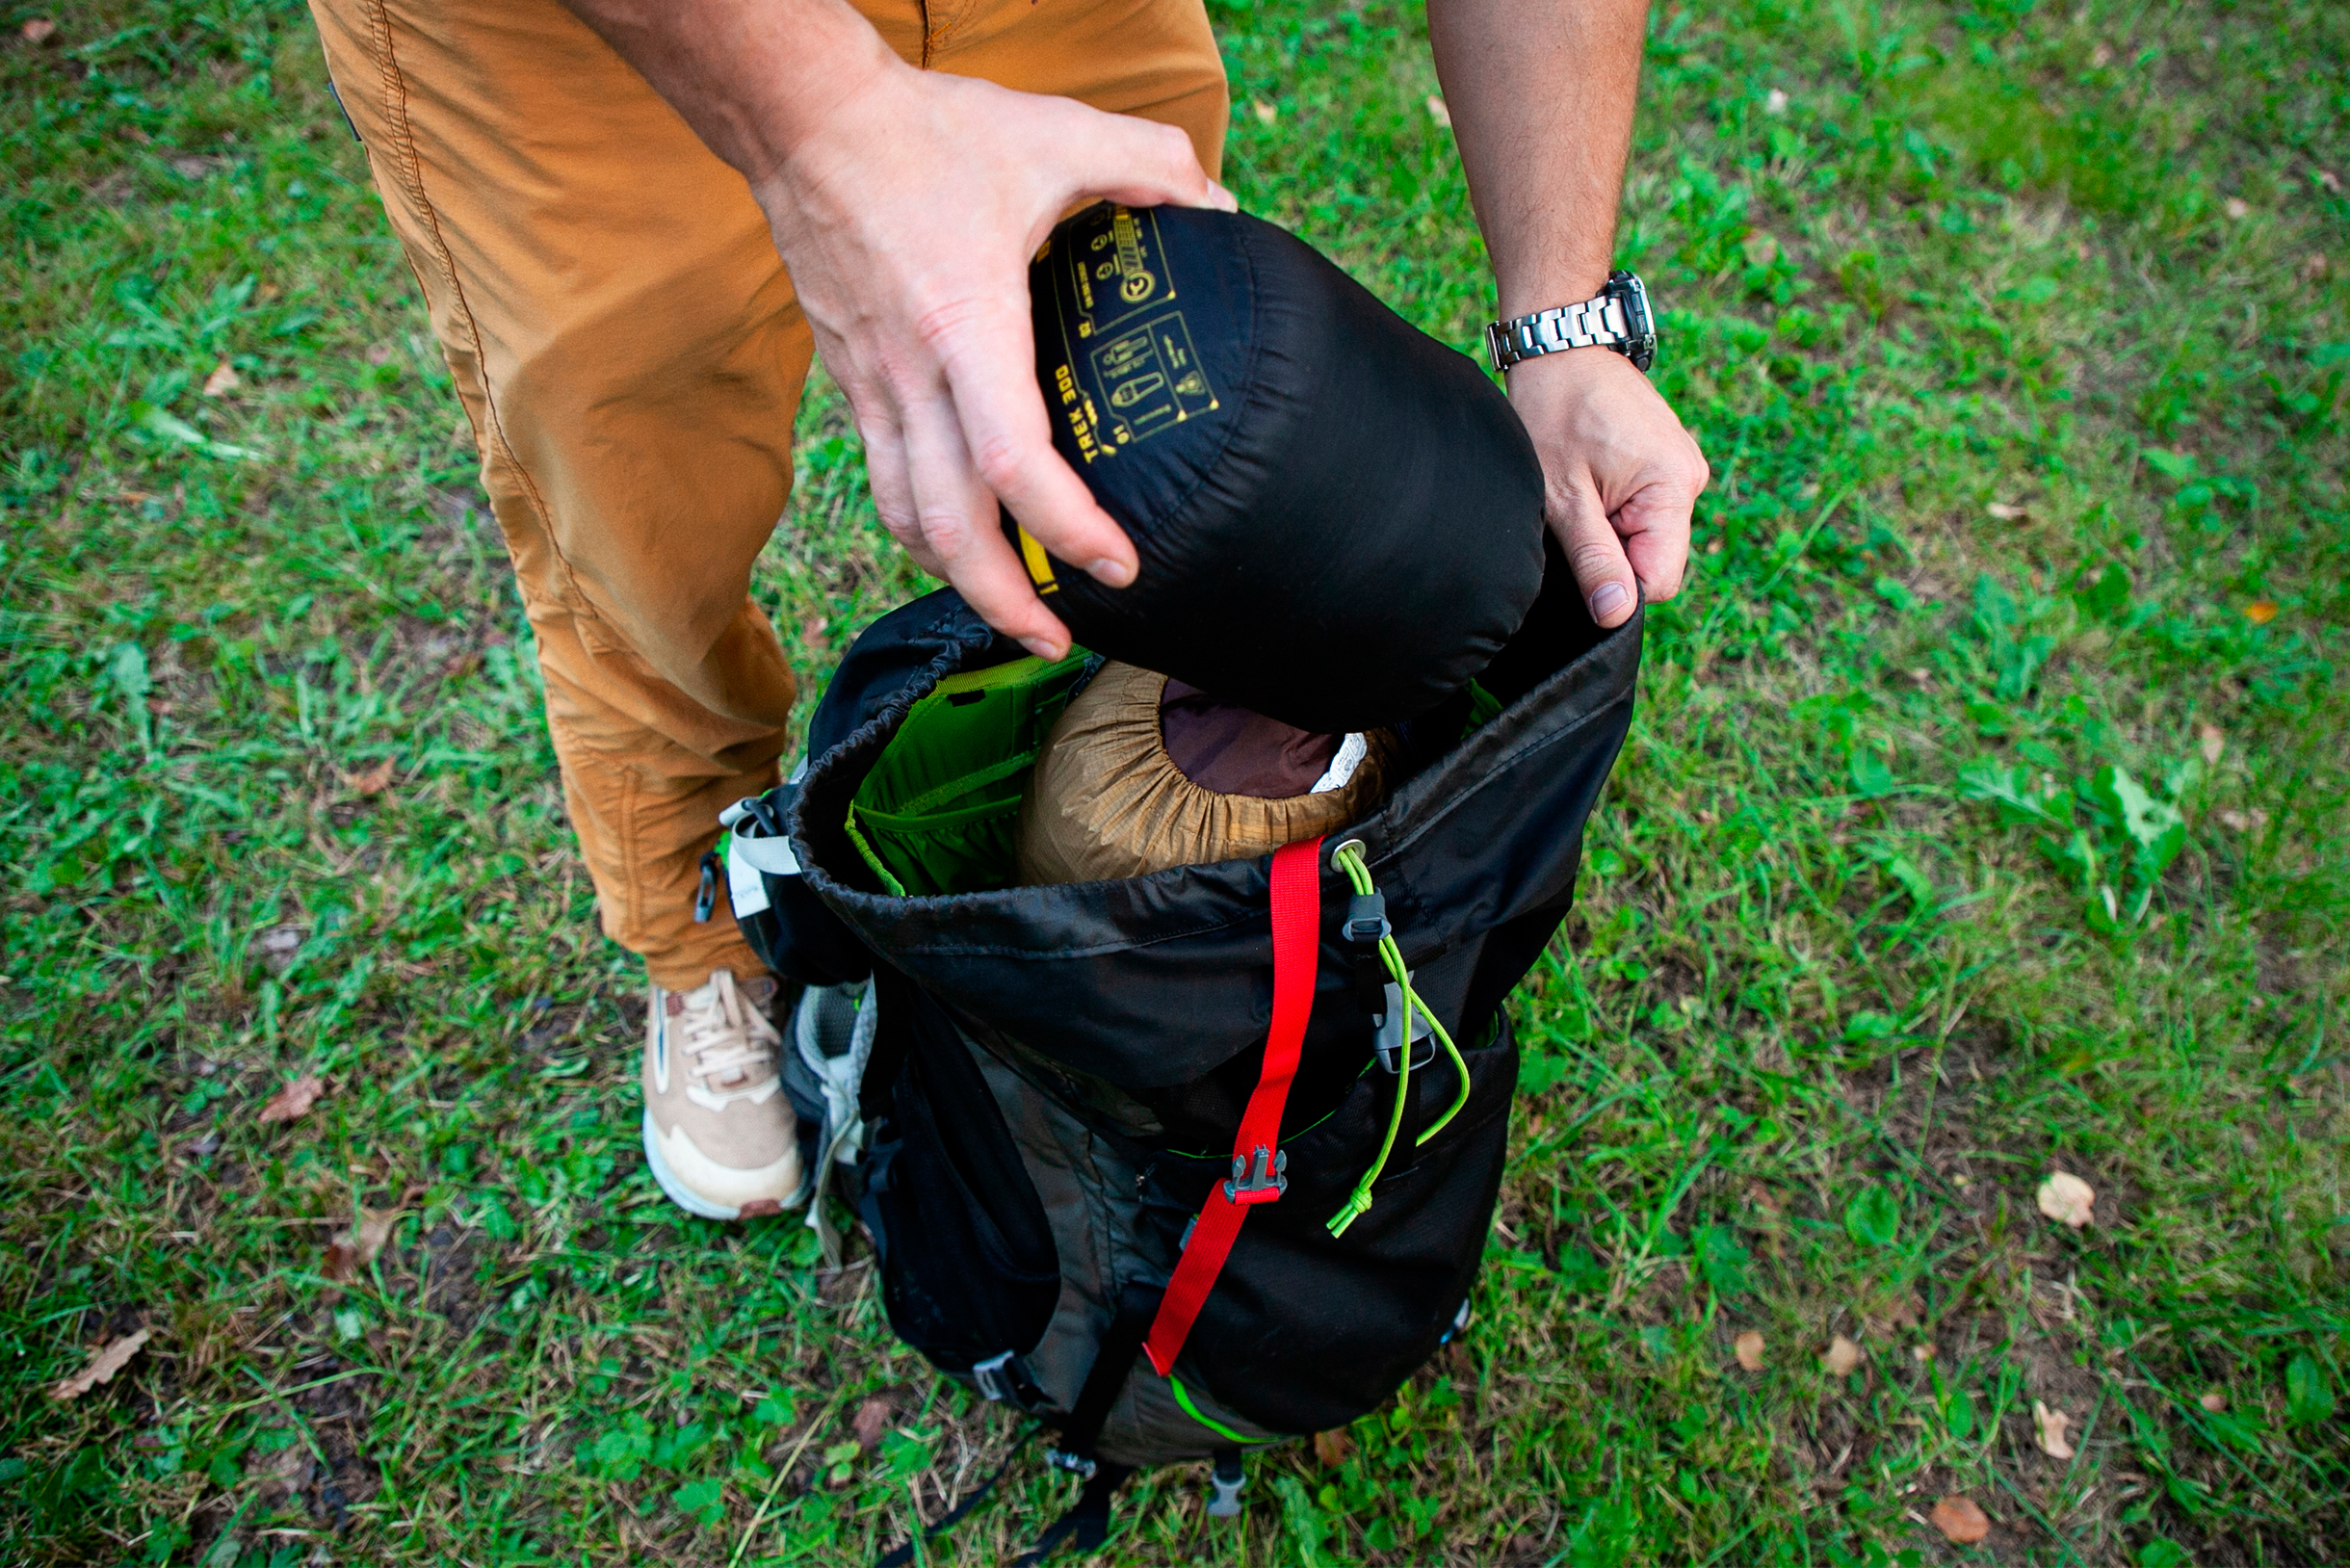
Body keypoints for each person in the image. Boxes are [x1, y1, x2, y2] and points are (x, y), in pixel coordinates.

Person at [306, 0, 1710, 1220]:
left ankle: (1155, 941)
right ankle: (704, 942)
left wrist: (1563, 317)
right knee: (639, 520)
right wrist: (818, 131)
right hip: (577, 43)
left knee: (1135, 470)